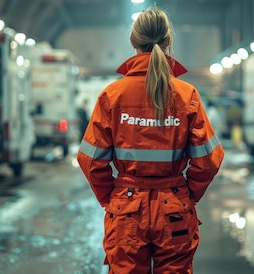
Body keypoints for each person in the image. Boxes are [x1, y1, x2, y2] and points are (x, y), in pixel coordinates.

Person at [77, 8, 224, 273]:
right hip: (175, 210)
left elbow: (89, 158)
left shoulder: (112, 96)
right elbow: (209, 159)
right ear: (168, 41)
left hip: (126, 211)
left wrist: (111, 197)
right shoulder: (187, 95)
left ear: (133, 42)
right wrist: (187, 194)